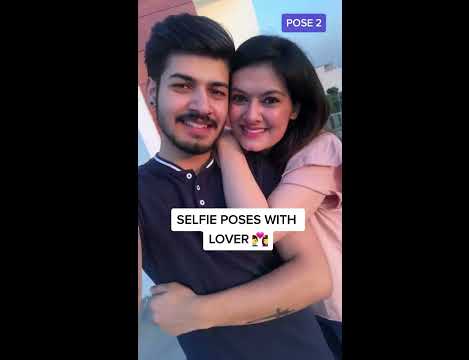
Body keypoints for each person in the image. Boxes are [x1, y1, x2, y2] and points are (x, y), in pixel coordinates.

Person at [138, 14, 334, 360]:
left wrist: (198, 311)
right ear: (152, 92)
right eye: (183, 86)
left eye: (217, 91)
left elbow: (310, 275)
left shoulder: (273, 164)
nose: (202, 106)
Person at [218, 35, 343, 360]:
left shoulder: (319, 151)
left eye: (270, 100)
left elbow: (257, 231)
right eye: (239, 98)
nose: (251, 114)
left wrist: (227, 144)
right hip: (311, 315)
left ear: (295, 108)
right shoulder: (266, 157)